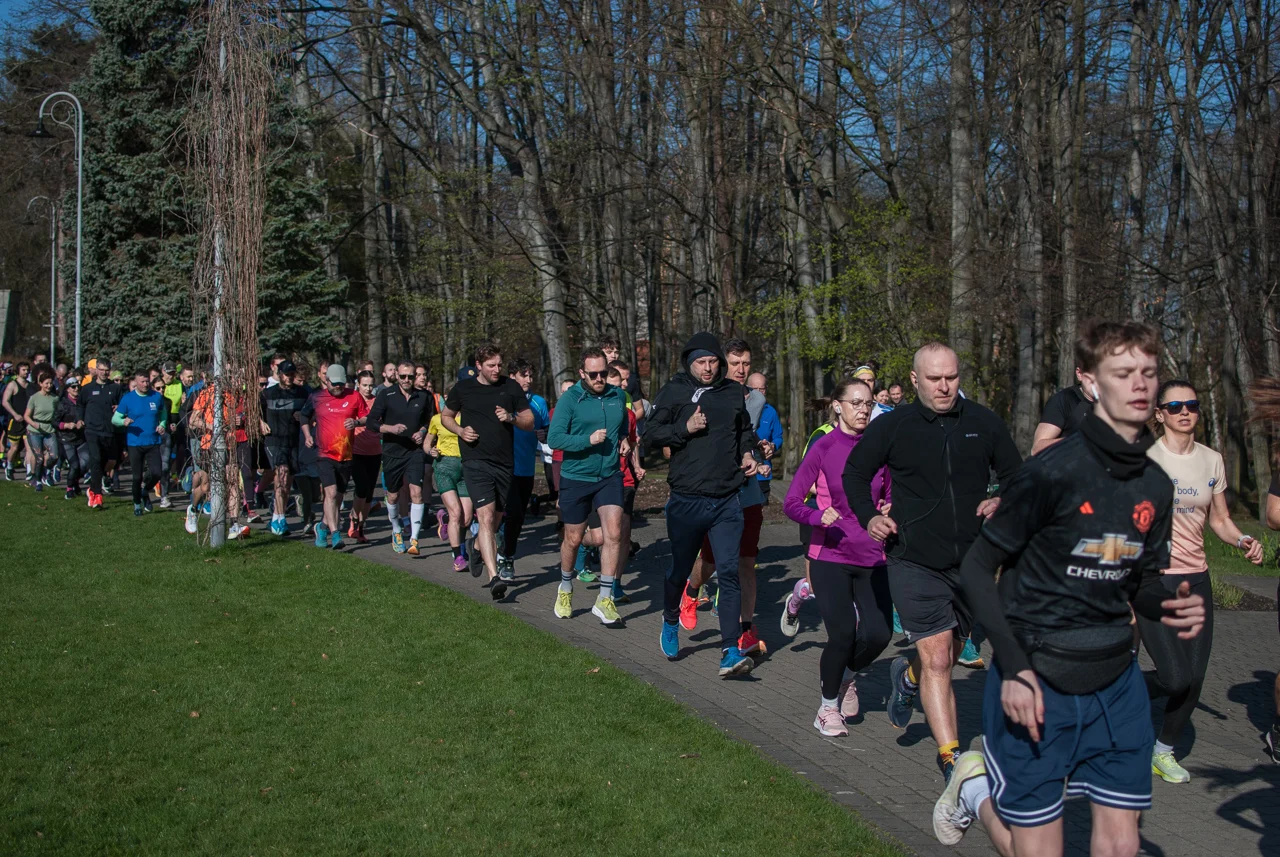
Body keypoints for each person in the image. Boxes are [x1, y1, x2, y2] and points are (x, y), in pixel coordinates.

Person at [932, 320, 1206, 857]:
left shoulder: (1155, 484)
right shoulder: (1050, 473)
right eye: (1123, 372)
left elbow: (1143, 584)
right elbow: (977, 567)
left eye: (1148, 372)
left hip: (1116, 682)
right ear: (1093, 384)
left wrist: (1168, 602)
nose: (1140, 385)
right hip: (1038, 679)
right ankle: (974, 786)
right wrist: (1012, 668)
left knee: (1120, 846)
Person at [844, 342, 1022, 782]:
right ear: (915, 379)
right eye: (935, 378)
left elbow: (1019, 476)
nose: (945, 386)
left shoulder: (983, 422)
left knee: (938, 655)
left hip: (973, 562)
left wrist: (1003, 498)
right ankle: (951, 758)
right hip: (912, 557)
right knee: (940, 657)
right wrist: (870, 517)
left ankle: (905, 677)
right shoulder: (896, 425)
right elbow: (855, 474)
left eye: (952, 377)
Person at [1141, 378, 1263, 782]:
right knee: (1173, 676)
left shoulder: (1211, 460)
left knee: (1193, 678)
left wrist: (1243, 538)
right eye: (1174, 407)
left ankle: (1163, 751)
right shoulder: (1145, 458)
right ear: (1159, 414)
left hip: (1196, 580)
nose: (1185, 412)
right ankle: (1114, 693)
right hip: (1153, 581)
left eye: (1191, 405)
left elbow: (1220, 519)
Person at [644, 332, 762, 677]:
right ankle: (669, 620)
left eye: (713, 362)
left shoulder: (730, 392)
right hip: (687, 498)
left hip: (727, 498)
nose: (708, 369)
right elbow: (651, 434)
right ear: (688, 363)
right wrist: (686, 427)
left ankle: (729, 651)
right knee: (680, 570)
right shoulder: (675, 390)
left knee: (729, 572)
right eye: (701, 363)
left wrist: (747, 454)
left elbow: (744, 431)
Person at [784, 378, 893, 736]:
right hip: (830, 552)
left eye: (867, 405)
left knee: (879, 635)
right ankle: (827, 709)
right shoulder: (824, 447)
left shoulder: (880, 449)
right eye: (856, 403)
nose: (863, 410)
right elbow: (792, 502)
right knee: (843, 633)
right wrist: (818, 516)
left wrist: (893, 508)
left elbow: (890, 495)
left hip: (873, 555)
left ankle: (846, 676)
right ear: (838, 406)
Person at [682, 339, 774, 659]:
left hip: (748, 493)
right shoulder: (708, 396)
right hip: (717, 492)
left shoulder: (758, 400)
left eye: (745, 364)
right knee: (711, 562)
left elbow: (750, 435)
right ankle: (691, 590)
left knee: (746, 563)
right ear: (723, 364)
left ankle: (744, 631)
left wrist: (762, 450)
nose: (740, 369)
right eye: (734, 363)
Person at [440, 345, 533, 600]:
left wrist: (511, 417)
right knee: (486, 516)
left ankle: (476, 546)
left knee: (496, 519)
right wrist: (460, 431)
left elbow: (529, 421)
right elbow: (446, 416)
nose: (496, 370)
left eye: (499, 364)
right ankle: (494, 578)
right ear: (478, 365)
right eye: (491, 365)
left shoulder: (510, 387)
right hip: (475, 461)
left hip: (504, 464)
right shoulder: (463, 389)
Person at [548, 347, 630, 625]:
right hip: (576, 477)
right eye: (593, 374)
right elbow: (555, 438)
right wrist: (587, 440)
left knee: (615, 534)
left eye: (603, 373)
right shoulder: (571, 399)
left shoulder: (617, 395)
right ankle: (566, 588)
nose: (599, 378)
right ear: (582, 373)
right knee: (573, 539)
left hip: (609, 475)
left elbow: (623, 426)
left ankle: (604, 599)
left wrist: (624, 439)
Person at [779, 401, 836, 637]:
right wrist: (830, 493)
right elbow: (805, 480)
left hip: (846, 516)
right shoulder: (822, 436)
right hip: (816, 513)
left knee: (844, 580)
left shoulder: (865, 437)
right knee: (815, 588)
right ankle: (794, 603)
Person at [367, 360, 435, 555]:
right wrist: (390, 428)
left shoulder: (424, 396)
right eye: (403, 376)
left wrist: (422, 432)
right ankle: (396, 529)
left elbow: (431, 420)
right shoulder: (386, 395)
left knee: (416, 492)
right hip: (392, 451)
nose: (407, 380)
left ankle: (414, 539)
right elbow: (372, 421)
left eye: (410, 377)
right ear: (396, 375)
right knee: (393, 495)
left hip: (414, 451)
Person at [300, 364, 369, 550]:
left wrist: (356, 422)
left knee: (337, 498)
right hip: (324, 454)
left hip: (346, 455)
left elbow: (367, 417)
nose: (338, 387)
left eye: (341, 383)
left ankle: (321, 527)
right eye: (334, 384)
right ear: (326, 381)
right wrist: (307, 435)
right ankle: (335, 534)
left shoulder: (354, 396)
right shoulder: (316, 397)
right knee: (329, 494)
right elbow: (304, 416)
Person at [501, 358, 549, 579]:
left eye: (531, 375)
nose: (529, 379)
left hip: (525, 468)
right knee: (498, 514)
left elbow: (547, 432)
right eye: (524, 375)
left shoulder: (538, 403)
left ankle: (506, 557)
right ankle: (485, 547)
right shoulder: (499, 399)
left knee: (516, 516)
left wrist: (543, 434)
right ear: (512, 376)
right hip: (500, 467)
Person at [259, 360, 308, 536]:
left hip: (293, 441)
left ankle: (278, 515)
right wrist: (261, 422)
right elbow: (255, 411)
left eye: (292, 375)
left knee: (286, 482)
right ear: (279, 374)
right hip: (274, 440)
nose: (289, 378)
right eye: (287, 375)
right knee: (282, 474)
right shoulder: (268, 394)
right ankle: (279, 517)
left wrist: (302, 416)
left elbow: (311, 412)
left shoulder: (302, 393)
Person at [427, 381, 472, 572]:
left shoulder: (470, 419)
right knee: (456, 512)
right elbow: (427, 443)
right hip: (444, 467)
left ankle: (444, 519)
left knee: (467, 518)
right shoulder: (437, 419)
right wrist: (431, 451)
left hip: (465, 468)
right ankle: (458, 555)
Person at [113, 369, 169, 516]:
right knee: (137, 477)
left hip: (152, 441)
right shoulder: (128, 399)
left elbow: (163, 413)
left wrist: (162, 425)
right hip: (134, 443)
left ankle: (145, 490)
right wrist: (123, 421)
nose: (145, 384)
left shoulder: (156, 397)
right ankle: (137, 504)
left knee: (157, 472)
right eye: (142, 382)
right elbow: (115, 419)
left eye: (147, 382)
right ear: (136, 383)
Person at [78, 358, 122, 508]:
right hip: (92, 430)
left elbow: (122, 406)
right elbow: (80, 405)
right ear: (96, 370)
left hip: (109, 430)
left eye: (106, 370)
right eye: (101, 369)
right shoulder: (87, 389)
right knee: (95, 459)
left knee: (108, 461)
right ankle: (96, 494)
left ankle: (93, 485)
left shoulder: (115, 388)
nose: (104, 373)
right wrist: (80, 419)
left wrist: (119, 408)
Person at [348, 370, 382, 544]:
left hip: (375, 451)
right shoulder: (353, 400)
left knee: (369, 493)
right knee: (361, 489)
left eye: (371, 385)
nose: (368, 389)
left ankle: (361, 525)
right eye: (364, 385)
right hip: (356, 450)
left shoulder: (378, 402)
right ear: (358, 385)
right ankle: (353, 518)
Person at [1032, 365, 1096, 454]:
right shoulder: (1064, 400)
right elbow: (1037, 448)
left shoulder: (1116, 403)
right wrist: (1080, 440)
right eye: (1092, 373)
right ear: (1079, 374)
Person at [22, 365, 59, 491]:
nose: (49, 386)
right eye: (46, 383)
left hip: (49, 429)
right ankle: (37, 481)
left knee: (54, 456)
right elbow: (26, 416)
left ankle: (45, 470)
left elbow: (59, 412)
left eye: (51, 383)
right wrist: (33, 424)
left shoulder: (55, 398)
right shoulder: (34, 398)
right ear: (41, 384)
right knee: (39, 457)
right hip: (35, 430)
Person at [748, 372, 783, 504]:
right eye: (754, 389)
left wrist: (773, 446)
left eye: (761, 389)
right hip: (744, 472)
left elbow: (778, 437)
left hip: (763, 474)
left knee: (758, 516)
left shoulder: (771, 411)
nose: (758, 392)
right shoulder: (740, 409)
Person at [54, 376, 88, 500]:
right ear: (68, 389)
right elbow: (54, 422)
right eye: (73, 387)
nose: (76, 389)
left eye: (77, 386)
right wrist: (66, 425)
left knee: (85, 464)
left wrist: (82, 422)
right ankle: (69, 488)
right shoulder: (62, 403)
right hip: (66, 438)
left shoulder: (82, 401)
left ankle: (75, 482)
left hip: (80, 438)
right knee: (74, 465)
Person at [3, 360, 32, 482]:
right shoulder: (13, 385)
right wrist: (14, 414)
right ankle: (9, 466)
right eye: (23, 370)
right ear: (18, 371)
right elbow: (5, 401)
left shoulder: (31, 386)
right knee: (14, 448)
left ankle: (30, 471)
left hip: (27, 421)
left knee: (29, 447)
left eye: (27, 370)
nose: (26, 372)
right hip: (15, 421)